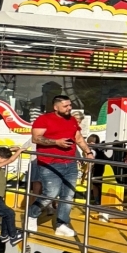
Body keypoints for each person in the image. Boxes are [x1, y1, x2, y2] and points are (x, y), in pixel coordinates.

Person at [27, 95, 94, 237]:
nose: (69, 108)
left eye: (70, 105)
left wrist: (88, 152)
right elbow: (36, 138)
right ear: (56, 107)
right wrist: (56, 142)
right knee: (50, 194)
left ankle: (62, 224)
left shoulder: (72, 120)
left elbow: (78, 138)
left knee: (68, 195)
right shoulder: (44, 119)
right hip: (49, 163)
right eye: (65, 106)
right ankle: (32, 215)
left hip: (70, 163)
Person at [85, 135, 112, 205]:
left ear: (91, 142)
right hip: (102, 167)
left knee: (95, 185)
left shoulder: (93, 150)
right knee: (99, 184)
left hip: (97, 168)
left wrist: (88, 169)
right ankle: (99, 200)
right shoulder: (101, 148)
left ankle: (97, 201)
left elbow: (91, 161)